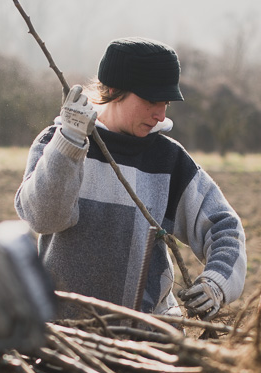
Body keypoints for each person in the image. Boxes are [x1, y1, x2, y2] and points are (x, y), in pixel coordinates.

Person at [15, 37, 247, 328]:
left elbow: (224, 226)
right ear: (113, 90)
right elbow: (44, 218)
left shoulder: (168, 160)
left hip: (150, 341)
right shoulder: (57, 143)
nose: (161, 114)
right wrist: (70, 142)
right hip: (66, 337)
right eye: (151, 100)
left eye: (165, 103)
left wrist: (217, 283)